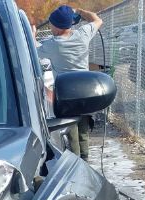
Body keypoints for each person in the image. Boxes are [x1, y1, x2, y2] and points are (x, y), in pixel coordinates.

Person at [38, 6, 103, 160]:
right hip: (86, 92)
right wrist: (81, 11)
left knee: (71, 132)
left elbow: (31, 49)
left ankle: (76, 164)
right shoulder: (83, 35)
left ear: (58, 27)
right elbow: (97, 19)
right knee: (83, 132)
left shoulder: (52, 45)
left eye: (52, 24)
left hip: (67, 95)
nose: (50, 26)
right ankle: (85, 161)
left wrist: (33, 34)